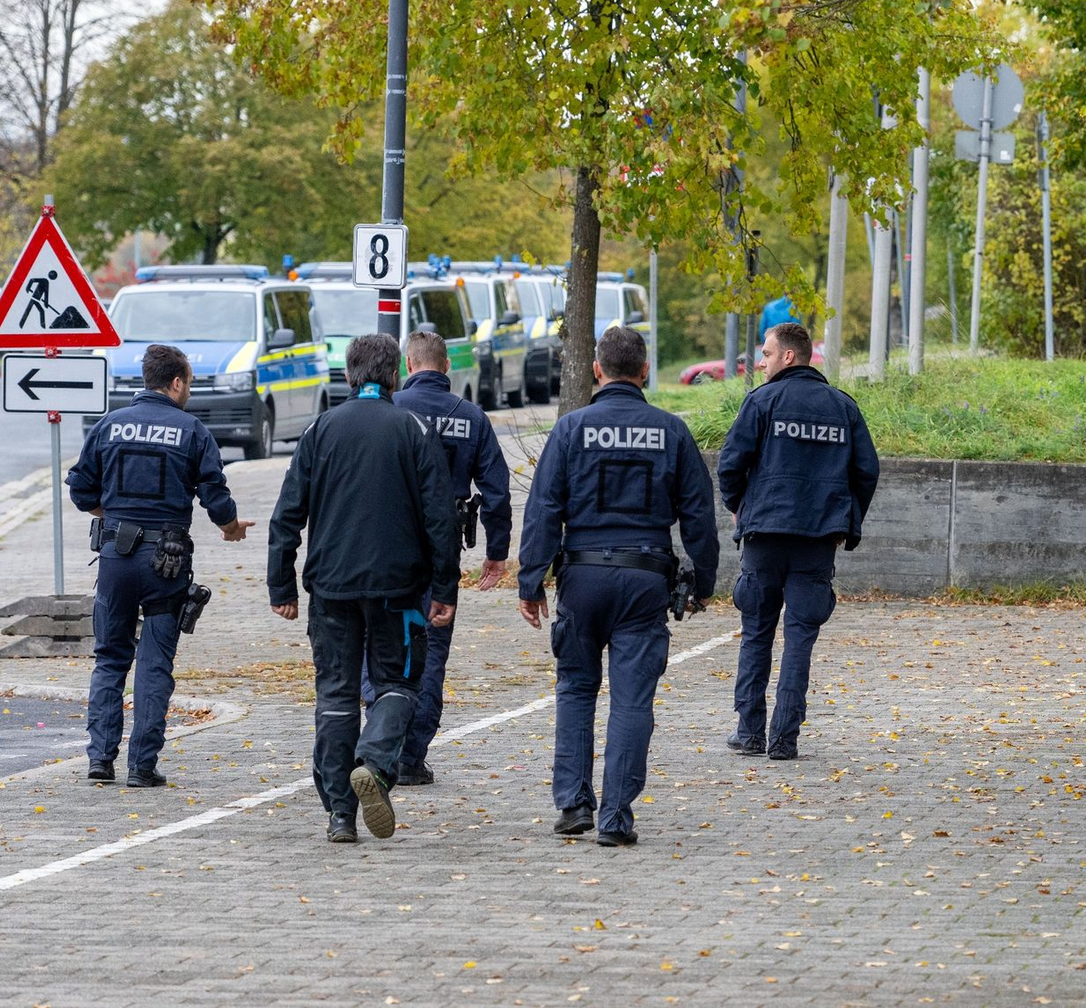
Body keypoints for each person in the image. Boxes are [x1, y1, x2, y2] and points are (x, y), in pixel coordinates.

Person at [518, 326, 719, 848]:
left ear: (597, 369)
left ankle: (573, 803)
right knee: (631, 701)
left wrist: (531, 581)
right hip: (645, 580)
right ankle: (615, 817)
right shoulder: (671, 431)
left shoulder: (570, 429)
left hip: (581, 579)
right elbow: (699, 514)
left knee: (576, 689)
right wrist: (704, 582)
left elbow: (543, 509)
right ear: (645, 370)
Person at [267, 333, 461, 844]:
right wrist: (445, 588)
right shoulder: (414, 429)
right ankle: (373, 765)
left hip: (330, 588)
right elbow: (440, 519)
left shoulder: (320, 430)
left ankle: (339, 815)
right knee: (398, 685)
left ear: (349, 375)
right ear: (395, 374)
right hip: (399, 590)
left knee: (335, 693)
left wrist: (280, 584)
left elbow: (287, 515)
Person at [67, 344, 253, 788]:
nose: (188, 390)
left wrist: (111, 514)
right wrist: (230, 526)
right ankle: (142, 766)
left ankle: (100, 759)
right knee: (154, 665)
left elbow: (79, 490)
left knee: (110, 659)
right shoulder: (191, 430)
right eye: (187, 382)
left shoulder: (108, 425)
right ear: (175, 382)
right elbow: (215, 494)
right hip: (165, 564)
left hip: (114, 557)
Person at [717, 321, 879, 761]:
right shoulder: (843, 408)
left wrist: (739, 506)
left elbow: (730, 464)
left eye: (766, 354)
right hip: (816, 540)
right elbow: (866, 471)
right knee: (800, 637)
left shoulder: (762, 402)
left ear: (789, 356)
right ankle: (784, 739)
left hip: (764, 536)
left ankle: (749, 732)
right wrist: (848, 522)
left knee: (756, 633)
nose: (762, 362)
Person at [361, 330, 512, 786]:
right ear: (446, 367)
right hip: (439, 554)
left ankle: (378, 739)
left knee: (378, 645)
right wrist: (496, 552)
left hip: (384, 549)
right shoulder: (472, 418)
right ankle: (411, 758)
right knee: (430, 653)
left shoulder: (390, 411)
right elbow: (497, 492)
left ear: (407, 365)